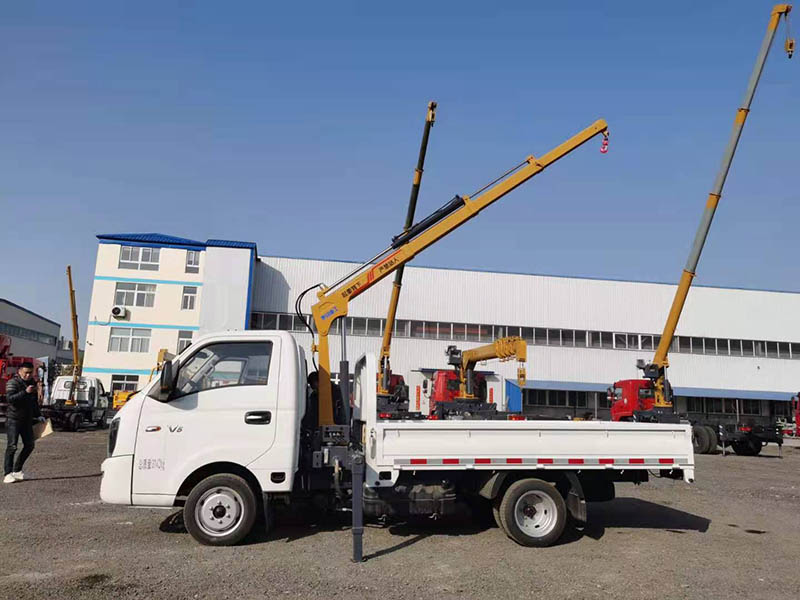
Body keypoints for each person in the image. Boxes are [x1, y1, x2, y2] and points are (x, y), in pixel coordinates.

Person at [4, 361, 45, 484]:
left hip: (27, 420)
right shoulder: (12, 382)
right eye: (26, 373)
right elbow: (10, 399)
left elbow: (33, 402)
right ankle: (7, 473)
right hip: (13, 419)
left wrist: (39, 415)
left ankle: (17, 470)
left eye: (30, 373)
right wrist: (25, 392)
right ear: (20, 371)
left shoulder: (32, 383)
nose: (28, 375)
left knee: (30, 445)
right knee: (12, 446)